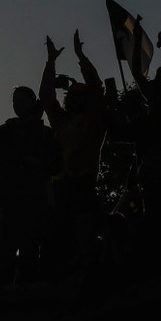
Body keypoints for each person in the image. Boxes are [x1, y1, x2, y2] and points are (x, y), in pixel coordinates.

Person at [0, 85, 59, 287]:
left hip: (33, 204)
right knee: (5, 255)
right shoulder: (7, 130)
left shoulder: (45, 134)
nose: (17, 105)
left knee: (29, 254)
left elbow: (56, 164)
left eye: (21, 100)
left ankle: (26, 299)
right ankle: (2, 298)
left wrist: (37, 163)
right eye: (14, 101)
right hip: (7, 204)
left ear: (32, 102)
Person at [39, 32, 107, 273]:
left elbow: (98, 91)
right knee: (58, 240)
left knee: (85, 234)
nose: (74, 98)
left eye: (80, 95)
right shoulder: (61, 120)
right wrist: (50, 62)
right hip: (61, 186)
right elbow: (47, 99)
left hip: (83, 183)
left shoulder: (95, 120)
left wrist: (81, 56)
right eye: (72, 95)